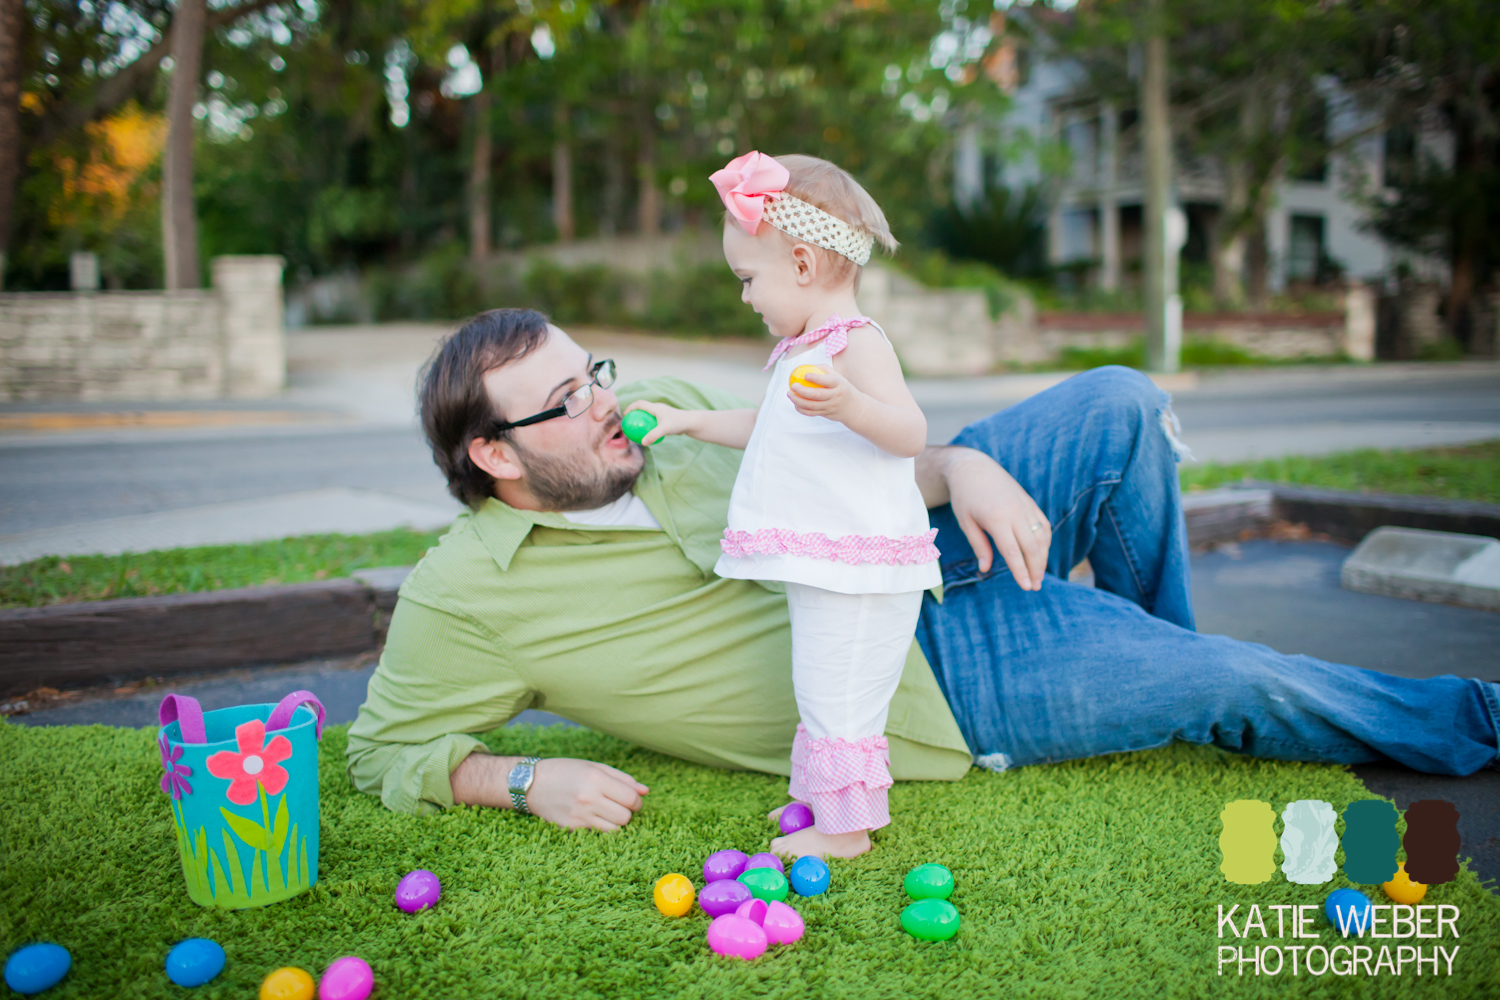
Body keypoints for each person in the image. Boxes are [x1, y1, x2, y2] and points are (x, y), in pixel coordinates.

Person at [346, 331, 1500, 847]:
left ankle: (1155, 663)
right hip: (926, 680)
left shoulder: (667, 412)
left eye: (589, 370)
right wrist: (519, 777)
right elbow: (380, 750)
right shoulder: (466, 593)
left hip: (922, 544)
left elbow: (849, 463)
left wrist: (963, 467)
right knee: (1240, 678)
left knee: (1119, 401)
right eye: (565, 401)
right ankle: (1469, 717)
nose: (605, 400)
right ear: (493, 453)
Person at [623, 152, 941, 859]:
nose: (745, 298)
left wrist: (852, 405)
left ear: (801, 265)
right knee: (819, 681)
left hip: (863, 567)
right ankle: (823, 801)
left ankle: (847, 829)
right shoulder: (806, 349)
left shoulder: (856, 346)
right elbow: (769, 427)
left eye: (747, 279)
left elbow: (911, 433)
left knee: (841, 689)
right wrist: (686, 420)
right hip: (831, 562)